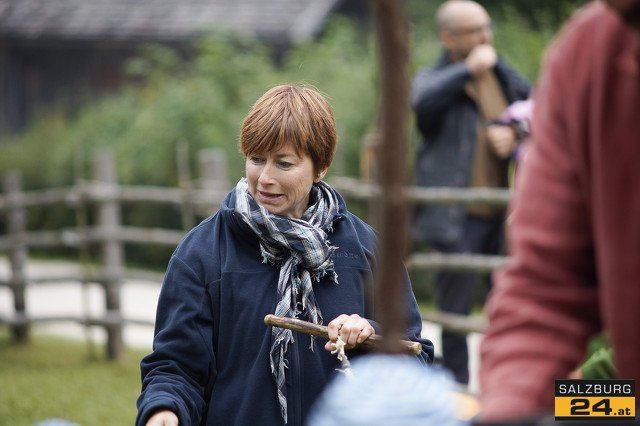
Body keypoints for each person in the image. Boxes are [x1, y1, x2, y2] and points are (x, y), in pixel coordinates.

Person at [136, 84, 433, 426]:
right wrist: (164, 409)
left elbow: (416, 358)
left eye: (284, 163)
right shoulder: (202, 253)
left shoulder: (367, 250)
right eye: (256, 159)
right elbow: (176, 367)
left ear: (321, 167)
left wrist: (371, 335)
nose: (265, 178)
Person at [479, 0, 640, 422]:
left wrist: (580, 389)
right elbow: (545, 289)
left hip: (610, 385)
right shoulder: (590, 53)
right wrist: (517, 408)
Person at [410, 0, 530, 384]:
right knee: (455, 310)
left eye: (487, 27)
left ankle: (505, 385)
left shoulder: (502, 77)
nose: (485, 37)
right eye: (475, 30)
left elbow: (538, 110)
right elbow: (421, 103)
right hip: (455, 216)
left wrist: (515, 133)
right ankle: (458, 388)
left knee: (508, 304)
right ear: (449, 38)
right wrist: (468, 69)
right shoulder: (435, 78)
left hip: (503, 212)